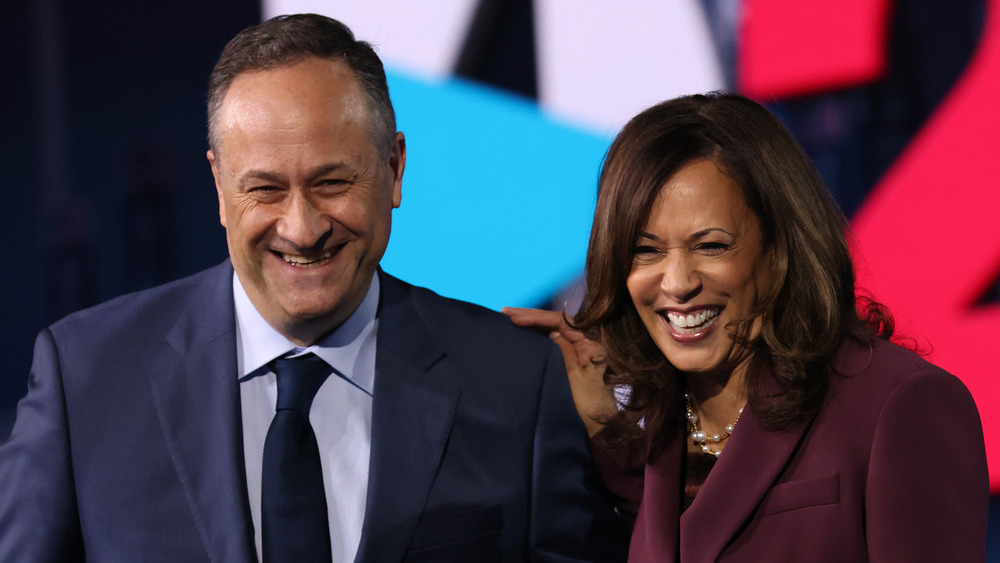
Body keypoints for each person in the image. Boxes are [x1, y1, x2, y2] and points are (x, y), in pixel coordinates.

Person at [0, 14, 627, 562]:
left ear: (393, 168)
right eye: (266, 189)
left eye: (332, 183)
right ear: (219, 187)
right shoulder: (85, 378)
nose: (302, 229)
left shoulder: (517, 380)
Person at [505, 92, 988, 562]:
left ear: (781, 246)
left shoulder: (900, 404)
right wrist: (611, 436)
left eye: (711, 246)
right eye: (646, 251)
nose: (677, 283)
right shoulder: (669, 422)